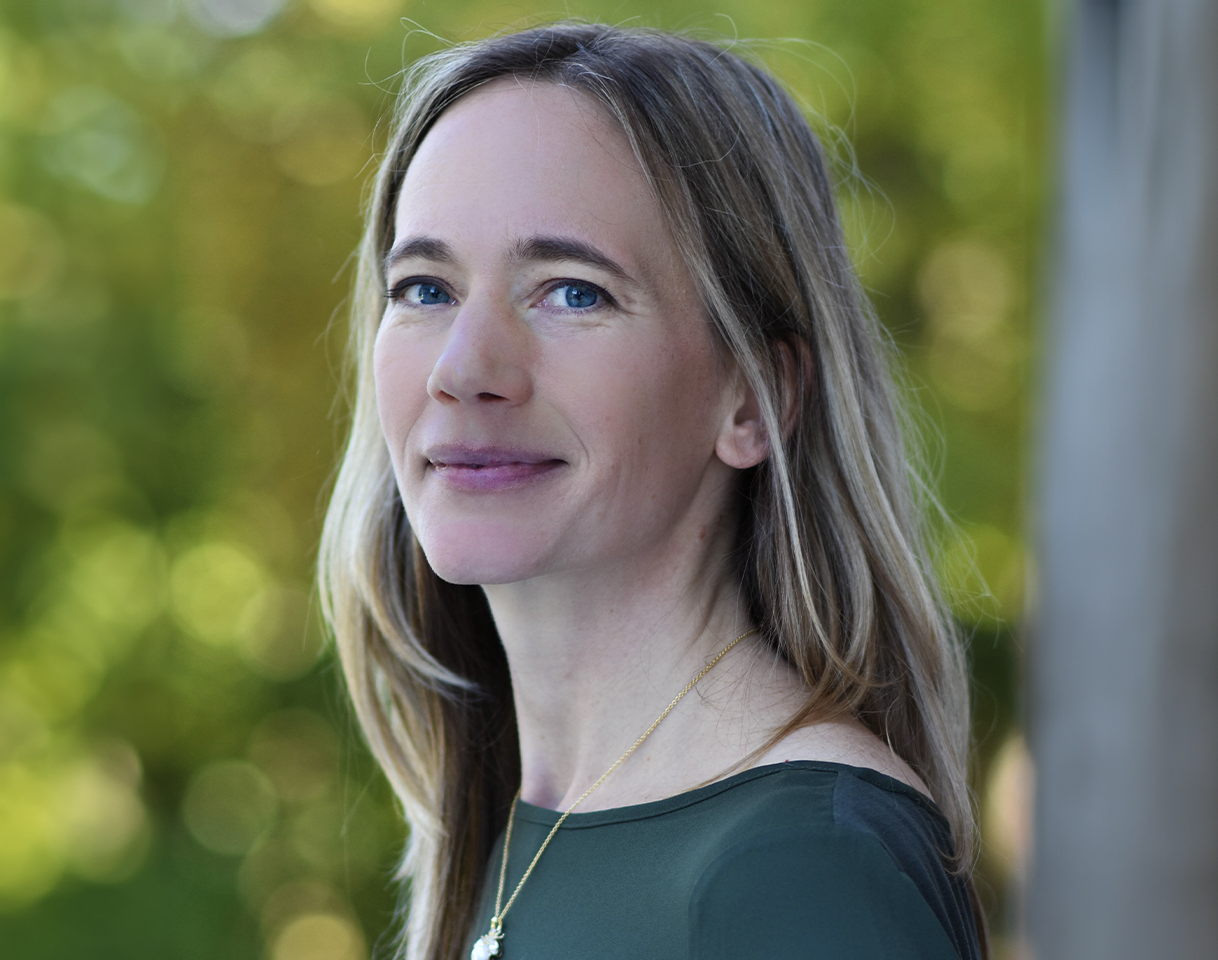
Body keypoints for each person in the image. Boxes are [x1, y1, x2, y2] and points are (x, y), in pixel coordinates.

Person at [319, 21, 985, 960]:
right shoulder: (527, 823)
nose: (462, 370)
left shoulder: (801, 871)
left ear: (753, 397)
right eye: (425, 289)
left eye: (572, 291)